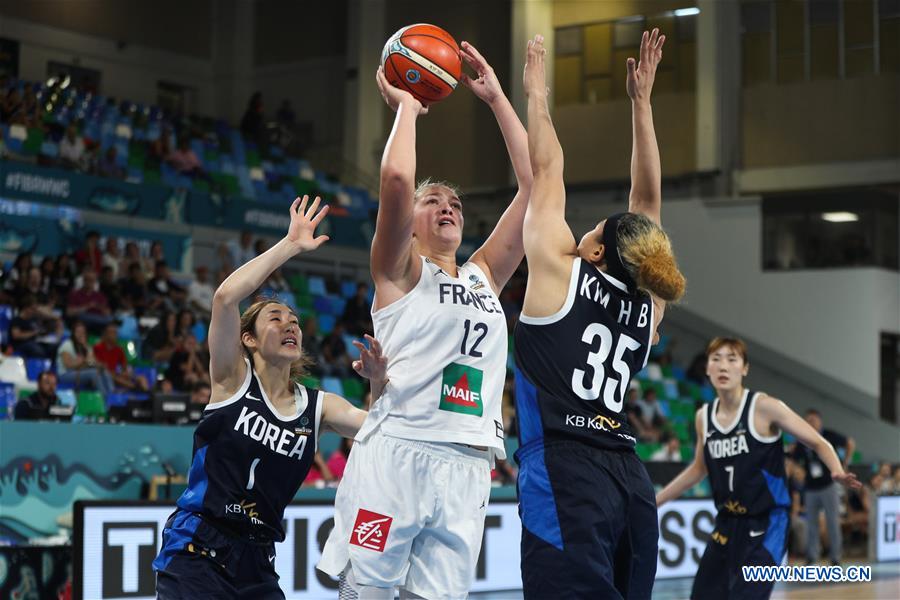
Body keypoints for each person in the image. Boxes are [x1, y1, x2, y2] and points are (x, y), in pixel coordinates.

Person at [318, 40, 533, 599]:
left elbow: (534, 187)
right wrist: (408, 109)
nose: (447, 207)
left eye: (456, 205)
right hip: (397, 452)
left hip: (468, 463)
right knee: (364, 594)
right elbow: (394, 183)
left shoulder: (484, 274)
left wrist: (498, 100)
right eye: (433, 200)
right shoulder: (398, 272)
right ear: (408, 224)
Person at [513, 31, 684, 599]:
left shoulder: (561, 274)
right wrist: (642, 105)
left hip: (566, 472)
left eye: (589, 231)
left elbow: (548, 166)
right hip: (630, 482)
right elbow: (649, 206)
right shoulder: (646, 305)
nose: (579, 231)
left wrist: (536, 92)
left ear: (595, 251)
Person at [153, 197, 388, 598]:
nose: (289, 324)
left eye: (294, 320)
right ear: (249, 339)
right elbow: (225, 299)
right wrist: (291, 246)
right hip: (197, 549)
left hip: (258, 562)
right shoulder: (231, 379)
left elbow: (380, 431)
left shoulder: (318, 406)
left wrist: (378, 383)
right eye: (275, 319)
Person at [656, 337, 861, 599]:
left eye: (732, 359)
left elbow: (818, 441)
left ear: (745, 368)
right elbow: (699, 468)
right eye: (716, 360)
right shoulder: (703, 418)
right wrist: (657, 499)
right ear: (707, 368)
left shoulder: (765, 407)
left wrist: (836, 470)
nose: (723, 366)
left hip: (768, 523)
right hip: (727, 522)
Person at [793, 409, 855, 565]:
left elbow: (850, 442)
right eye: (808, 420)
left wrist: (845, 463)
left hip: (829, 485)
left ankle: (836, 557)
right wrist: (797, 470)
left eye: (814, 420)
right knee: (811, 523)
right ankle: (812, 556)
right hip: (810, 487)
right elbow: (794, 459)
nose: (811, 423)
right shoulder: (803, 438)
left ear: (820, 421)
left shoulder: (829, 435)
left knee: (832, 521)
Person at [56, 319, 115, 395]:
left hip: (81, 372)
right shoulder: (67, 345)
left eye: (83, 332)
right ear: (73, 333)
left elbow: (92, 362)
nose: (81, 334)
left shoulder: (86, 346)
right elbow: (68, 365)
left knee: (104, 371)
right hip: (65, 374)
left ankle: (112, 395)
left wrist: (99, 365)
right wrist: (84, 361)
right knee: (93, 373)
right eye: (78, 332)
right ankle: (103, 397)